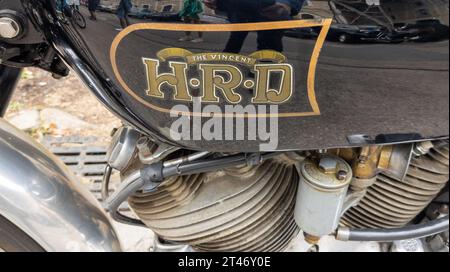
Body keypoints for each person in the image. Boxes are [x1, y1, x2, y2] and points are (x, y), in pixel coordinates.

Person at [204, 0, 305, 53]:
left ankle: (265, 76)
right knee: (235, 39)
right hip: (242, 8)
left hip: (273, 9)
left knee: (269, 46)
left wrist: (287, 4)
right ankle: (225, 66)